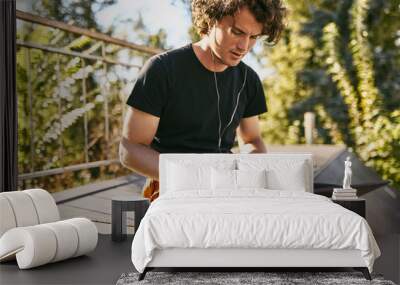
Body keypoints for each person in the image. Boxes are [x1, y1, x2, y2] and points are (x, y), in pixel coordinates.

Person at [119, 0, 287, 201]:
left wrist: (248, 173)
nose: (244, 46)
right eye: (237, 32)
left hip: (227, 189)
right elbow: (130, 150)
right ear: (211, 19)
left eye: (254, 37)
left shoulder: (249, 80)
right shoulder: (162, 69)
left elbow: (252, 140)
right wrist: (196, 178)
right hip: (173, 188)